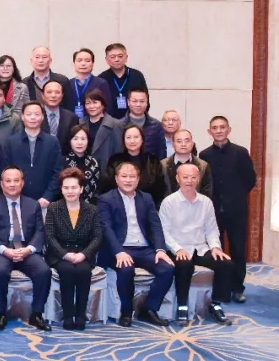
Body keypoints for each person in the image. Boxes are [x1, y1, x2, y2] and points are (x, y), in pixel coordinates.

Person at [97, 161, 172, 327]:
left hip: (144, 248)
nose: (128, 180)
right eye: (124, 176)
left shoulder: (146, 198)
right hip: (119, 248)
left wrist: (161, 249)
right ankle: (126, 311)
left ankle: (149, 309)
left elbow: (155, 225)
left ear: (138, 179)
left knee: (167, 268)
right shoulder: (106, 199)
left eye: (132, 177)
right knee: (126, 269)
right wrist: (118, 252)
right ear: (116, 179)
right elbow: (106, 228)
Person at [160, 163, 234, 325]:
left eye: (193, 177)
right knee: (184, 264)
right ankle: (182, 305)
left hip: (200, 248)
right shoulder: (169, 202)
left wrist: (215, 247)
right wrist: (177, 249)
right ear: (177, 179)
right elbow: (164, 232)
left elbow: (211, 229)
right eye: (185, 177)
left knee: (225, 263)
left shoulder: (206, 202)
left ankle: (216, 304)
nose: (189, 180)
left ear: (199, 179)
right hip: (177, 247)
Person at [0, 166, 52, 332]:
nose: (12, 184)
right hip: (2, 251)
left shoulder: (33, 204)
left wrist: (29, 250)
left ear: (22, 183)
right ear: (2, 184)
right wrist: (5, 250)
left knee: (43, 271)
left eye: (16, 180)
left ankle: (36, 314)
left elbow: (40, 231)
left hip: (26, 250)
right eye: (8, 181)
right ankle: (1, 314)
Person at [199, 115, 256, 303]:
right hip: (213, 210)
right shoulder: (205, 155)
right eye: (215, 128)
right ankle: (220, 287)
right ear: (209, 132)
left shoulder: (240, 152)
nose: (219, 131)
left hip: (237, 209)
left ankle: (237, 287)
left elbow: (250, 179)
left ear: (229, 130)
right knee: (217, 249)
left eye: (222, 127)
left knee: (238, 248)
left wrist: (236, 195)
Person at [44, 168, 102, 331]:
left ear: (81, 189)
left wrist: (84, 254)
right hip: (60, 254)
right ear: (61, 189)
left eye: (74, 187)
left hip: (83, 253)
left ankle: (81, 315)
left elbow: (97, 237)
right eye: (66, 187)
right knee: (67, 271)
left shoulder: (92, 210)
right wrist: (64, 254)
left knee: (83, 271)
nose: (70, 191)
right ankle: (68, 315)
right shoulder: (54, 208)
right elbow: (49, 236)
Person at [3, 101, 63, 205]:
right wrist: (14, 195)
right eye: (29, 114)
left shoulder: (52, 142)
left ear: (42, 117)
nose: (33, 117)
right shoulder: (11, 142)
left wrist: (48, 196)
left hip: (45, 201)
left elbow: (58, 171)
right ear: (22, 117)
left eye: (37, 114)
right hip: (17, 199)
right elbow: (6, 170)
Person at [102, 124, 164, 201]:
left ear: (142, 139)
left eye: (136, 137)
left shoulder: (153, 161)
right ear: (123, 140)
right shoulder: (114, 160)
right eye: (128, 137)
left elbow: (161, 189)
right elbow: (107, 186)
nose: (132, 141)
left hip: (148, 203)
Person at [98, 43, 149, 120]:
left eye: (120, 56)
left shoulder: (137, 75)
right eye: (112, 57)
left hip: (134, 120)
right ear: (106, 60)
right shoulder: (102, 78)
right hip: (109, 122)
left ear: (126, 57)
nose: (117, 59)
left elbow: (145, 100)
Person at [159, 130, 213, 201]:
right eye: (179, 141)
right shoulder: (162, 165)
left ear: (192, 144)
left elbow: (207, 192)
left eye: (187, 141)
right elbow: (159, 192)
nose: (183, 144)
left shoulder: (203, 166)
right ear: (173, 144)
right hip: (168, 206)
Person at [79, 90, 122, 173]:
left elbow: (119, 152)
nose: (91, 106)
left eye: (95, 102)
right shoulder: (80, 123)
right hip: (84, 171)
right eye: (88, 103)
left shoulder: (115, 124)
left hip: (106, 172)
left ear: (102, 104)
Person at [64, 48, 113, 117]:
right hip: (72, 122)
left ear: (92, 64)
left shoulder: (101, 83)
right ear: (74, 64)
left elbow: (108, 107)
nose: (83, 64)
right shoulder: (68, 83)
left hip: (95, 121)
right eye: (79, 60)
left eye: (87, 61)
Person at [120, 88, 165, 158]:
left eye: (142, 101)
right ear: (128, 102)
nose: (138, 104)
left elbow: (161, 151)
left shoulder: (156, 125)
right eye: (134, 101)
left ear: (147, 102)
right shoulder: (119, 125)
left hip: (150, 163)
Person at [63, 126, 101, 205]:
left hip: (91, 205)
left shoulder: (94, 162)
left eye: (83, 139)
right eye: (75, 139)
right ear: (70, 141)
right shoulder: (62, 161)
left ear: (88, 141)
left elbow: (98, 188)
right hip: (66, 204)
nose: (80, 142)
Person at [39, 81, 77, 154]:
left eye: (57, 92)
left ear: (62, 95)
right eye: (49, 92)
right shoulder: (35, 116)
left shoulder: (71, 117)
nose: (53, 95)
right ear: (42, 95)